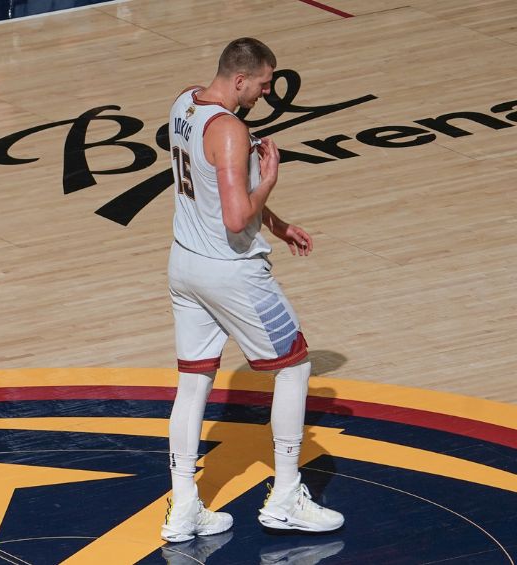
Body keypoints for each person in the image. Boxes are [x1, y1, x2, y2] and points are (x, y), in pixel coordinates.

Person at [162, 37, 344, 543]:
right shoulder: (230, 130)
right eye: (263, 84)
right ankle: (286, 496)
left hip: (184, 266)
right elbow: (237, 212)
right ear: (240, 79)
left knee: (193, 383)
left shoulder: (183, 102)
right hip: (231, 272)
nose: (267, 93)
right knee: (295, 366)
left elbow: (212, 183)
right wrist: (269, 180)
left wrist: (279, 224)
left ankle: (184, 509)